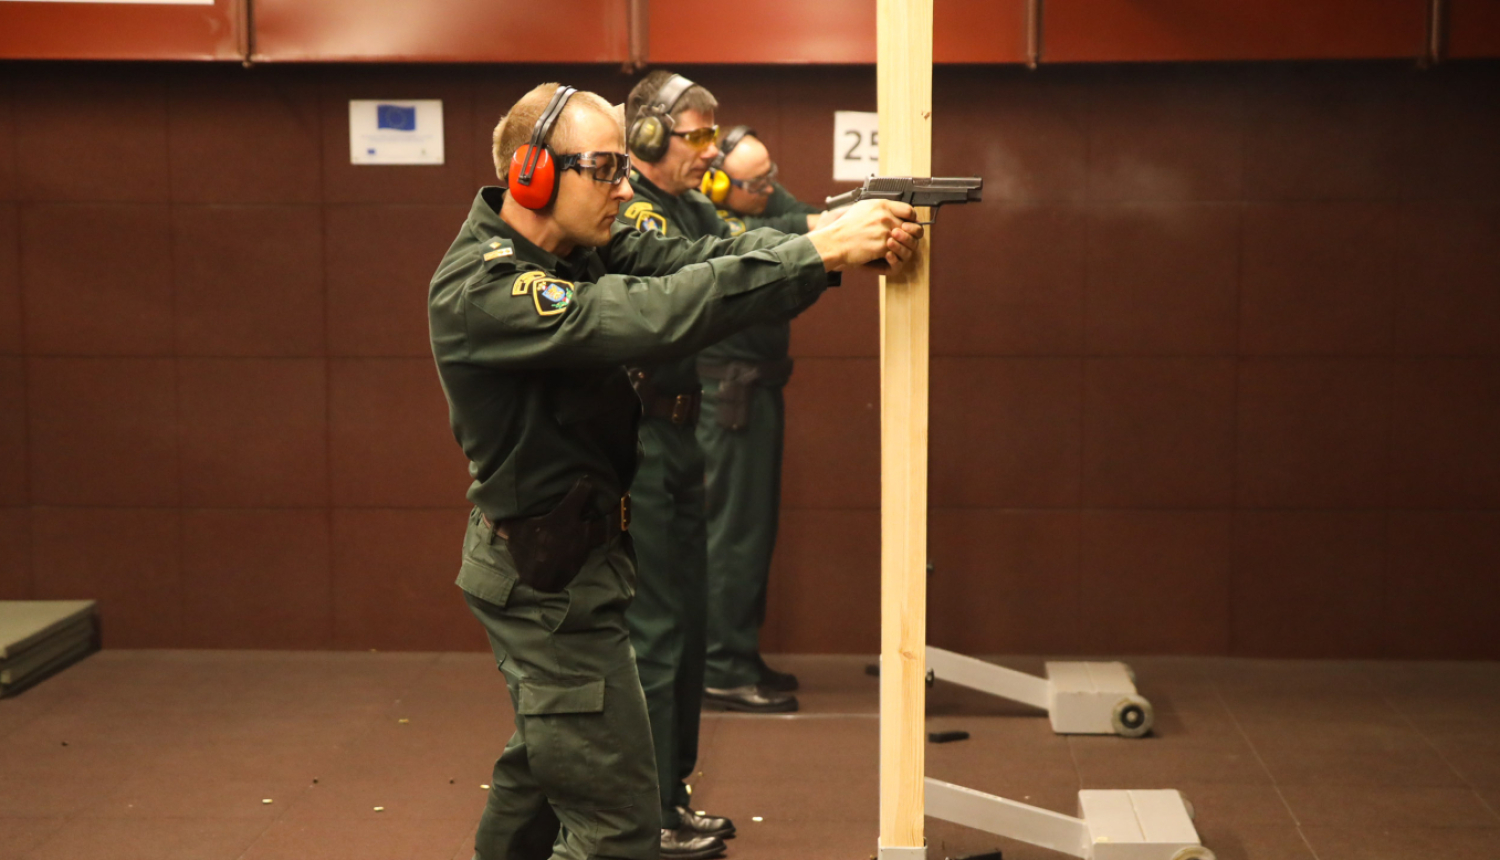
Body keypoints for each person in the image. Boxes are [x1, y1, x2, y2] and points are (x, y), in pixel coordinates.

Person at [427, 81, 920, 860]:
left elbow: (696, 258)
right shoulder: (483, 289)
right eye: (605, 170)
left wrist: (820, 238)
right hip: (542, 579)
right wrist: (817, 249)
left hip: (577, 557)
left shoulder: (579, 244)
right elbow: (644, 315)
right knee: (618, 827)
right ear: (533, 173)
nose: (625, 188)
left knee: (543, 773)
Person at [614, 70, 769, 860]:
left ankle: (672, 793)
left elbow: (742, 247)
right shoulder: (633, 209)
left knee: (690, 621)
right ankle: (647, 809)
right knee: (659, 632)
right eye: (696, 137)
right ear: (645, 138)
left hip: (681, 430)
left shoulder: (690, 202)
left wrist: (820, 245)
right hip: (640, 437)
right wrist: (814, 252)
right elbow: (700, 276)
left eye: (714, 135)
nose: (709, 152)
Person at [694, 128, 832, 707]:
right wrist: (817, 232)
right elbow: (772, 236)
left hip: (755, 391)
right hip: (729, 396)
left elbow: (799, 215)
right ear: (722, 183)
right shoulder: (703, 215)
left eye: (772, 175)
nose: (771, 188)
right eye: (759, 183)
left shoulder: (756, 194)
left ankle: (737, 654)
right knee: (732, 535)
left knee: (751, 532)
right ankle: (722, 665)